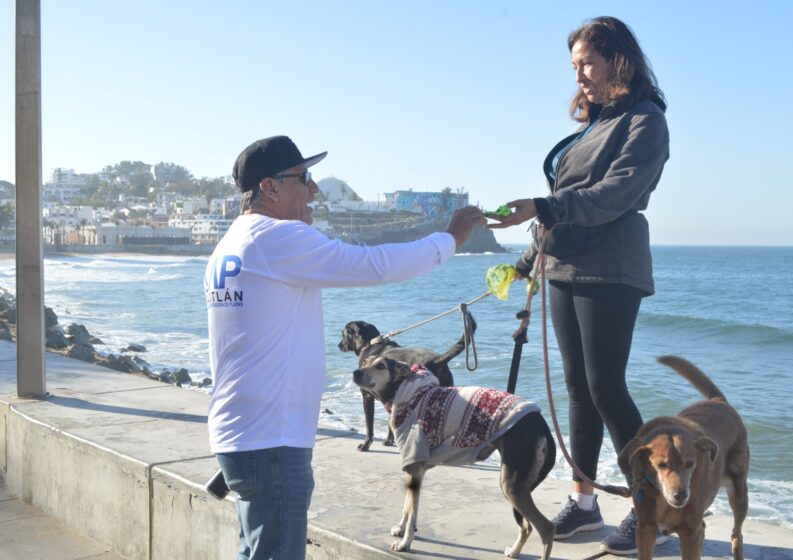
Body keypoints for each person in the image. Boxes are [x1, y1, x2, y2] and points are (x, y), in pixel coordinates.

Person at [204, 135, 484, 560]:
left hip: (244, 432)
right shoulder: (274, 239)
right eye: (304, 177)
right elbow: (372, 264)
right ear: (270, 188)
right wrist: (450, 239)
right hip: (271, 441)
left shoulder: (233, 243)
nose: (314, 188)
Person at [487, 16, 670, 556]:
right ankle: (585, 502)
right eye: (575, 67)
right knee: (578, 392)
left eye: (588, 62)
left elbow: (616, 194)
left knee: (606, 388)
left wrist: (543, 205)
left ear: (620, 59)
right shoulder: (594, 123)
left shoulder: (645, 120)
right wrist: (524, 262)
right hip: (564, 267)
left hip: (611, 268)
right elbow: (561, 210)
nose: (580, 76)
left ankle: (648, 509)